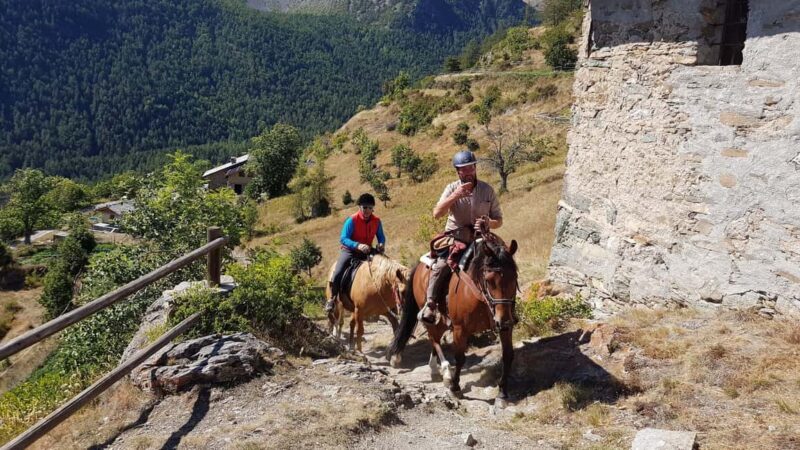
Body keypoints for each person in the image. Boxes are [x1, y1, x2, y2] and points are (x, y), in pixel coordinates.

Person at [420, 150, 503, 324]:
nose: (468, 172)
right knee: (441, 265)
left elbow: (499, 220)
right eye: (463, 169)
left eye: (470, 168)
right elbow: (437, 213)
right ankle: (431, 304)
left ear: (475, 168)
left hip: (481, 238)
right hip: (456, 237)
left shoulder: (487, 190)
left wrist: (488, 222)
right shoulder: (451, 188)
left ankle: (506, 303)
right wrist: (455, 195)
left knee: (503, 261)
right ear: (457, 172)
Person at [325, 193, 386, 313]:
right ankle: (331, 299)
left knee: (385, 266)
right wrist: (357, 245)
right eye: (365, 207)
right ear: (359, 207)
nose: (367, 210)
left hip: (367, 251)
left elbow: (381, 237)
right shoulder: (351, 220)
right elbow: (343, 238)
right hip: (350, 251)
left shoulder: (377, 221)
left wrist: (381, 244)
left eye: (370, 207)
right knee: (338, 272)